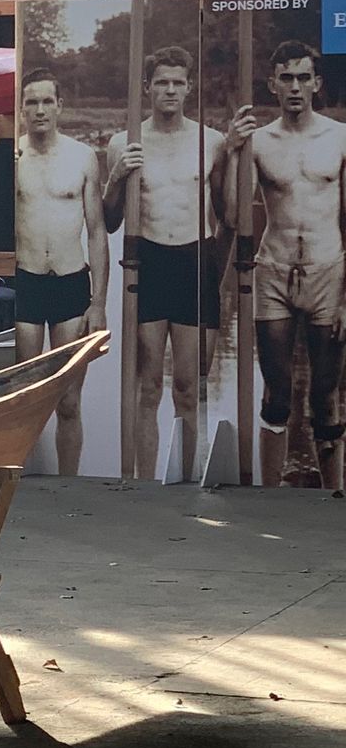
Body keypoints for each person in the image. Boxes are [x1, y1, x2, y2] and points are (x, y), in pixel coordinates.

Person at [223, 40, 346, 491]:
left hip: (328, 272)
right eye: (286, 78)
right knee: (275, 393)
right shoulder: (259, 141)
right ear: (273, 84)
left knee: (326, 395)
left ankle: (335, 495)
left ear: (316, 83)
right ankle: (270, 496)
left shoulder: (340, 137)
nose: (295, 87)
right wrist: (233, 151)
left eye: (303, 77)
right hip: (273, 271)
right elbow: (236, 218)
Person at [104, 45, 230, 480]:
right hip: (149, 262)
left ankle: (188, 479)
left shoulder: (209, 141)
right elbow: (109, 219)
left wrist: (221, 269)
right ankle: (143, 482)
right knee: (149, 386)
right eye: (162, 82)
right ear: (147, 88)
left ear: (189, 88)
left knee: (189, 389)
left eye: (178, 83)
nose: (170, 90)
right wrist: (117, 176)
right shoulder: (124, 142)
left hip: (195, 261)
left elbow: (228, 215)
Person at [13, 66, 109, 476]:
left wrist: (99, 303)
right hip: (26, 282)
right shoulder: (10, 155)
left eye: (46, 101)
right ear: (20, 109)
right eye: (31, 102)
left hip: (71, 283)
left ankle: (69, 490)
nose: (39, 110)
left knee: (69, 401)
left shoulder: (82, 157)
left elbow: (98, 231)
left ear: (60, 106)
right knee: (26, 399)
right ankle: (22, 485)